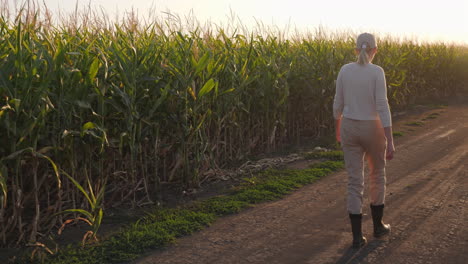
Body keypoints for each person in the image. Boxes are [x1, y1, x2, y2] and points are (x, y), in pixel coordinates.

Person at [333, 33, 394, 248]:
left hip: (349, 126)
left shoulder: (344, 70)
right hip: (373, 128)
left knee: (354, 181)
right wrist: (390, 139)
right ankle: (378, 227)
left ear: (356, 50)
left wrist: (338, 130)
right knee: (377, 175)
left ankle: (357, 237)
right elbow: (382, 106)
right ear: (374, 50)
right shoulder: (377, 72)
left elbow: (337, 104)